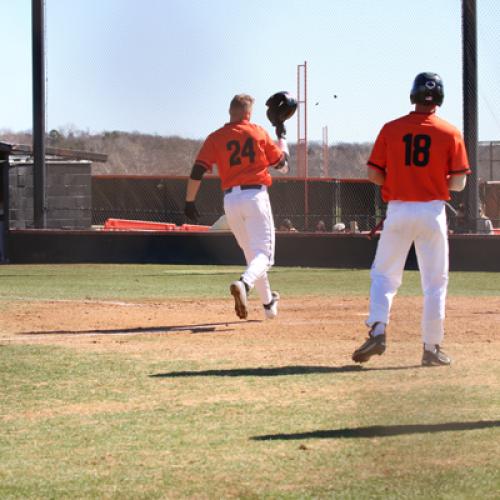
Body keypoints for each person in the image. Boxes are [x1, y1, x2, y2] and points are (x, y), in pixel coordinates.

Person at [352, 72, 471, 366]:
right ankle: (431, 348)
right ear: (439, 98)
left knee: (384, 276)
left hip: (399, 210)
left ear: (413, 95)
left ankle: (378, 329)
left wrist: (400, 179)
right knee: (434, 283)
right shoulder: (450, 132)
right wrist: (434, 179)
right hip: (432, 212)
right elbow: (458, 183)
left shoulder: (391, 129)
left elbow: (373, 173)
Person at [184, 92, 296, 320]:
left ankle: (268, 305)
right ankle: (244, 284)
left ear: (230, 111)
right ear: (248, 113)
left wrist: (189, 201)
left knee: (253, 257)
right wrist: (281, 137)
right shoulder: (257, 132)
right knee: (265, 255)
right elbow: (283, 166)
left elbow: (197, 170)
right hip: (255, 196)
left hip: (230, 201)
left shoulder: (215, 137)